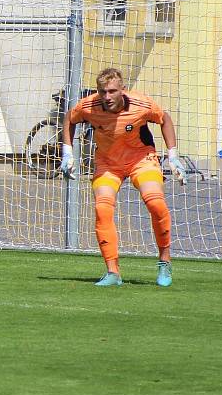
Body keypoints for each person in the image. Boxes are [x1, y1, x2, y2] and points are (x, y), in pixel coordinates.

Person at [61, 67, 187, 287]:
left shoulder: (141, 104)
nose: (107, 97)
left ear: (122, 90)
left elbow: (164, 119)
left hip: (141, 159)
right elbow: (70, 120)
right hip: (108, 163)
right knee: (102, 208)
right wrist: (67, 152)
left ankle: (165, 262)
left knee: (156, 203)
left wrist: (173, 155)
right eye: (102, 92)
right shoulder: (88, 106)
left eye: (111, 91)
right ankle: (113, 272)